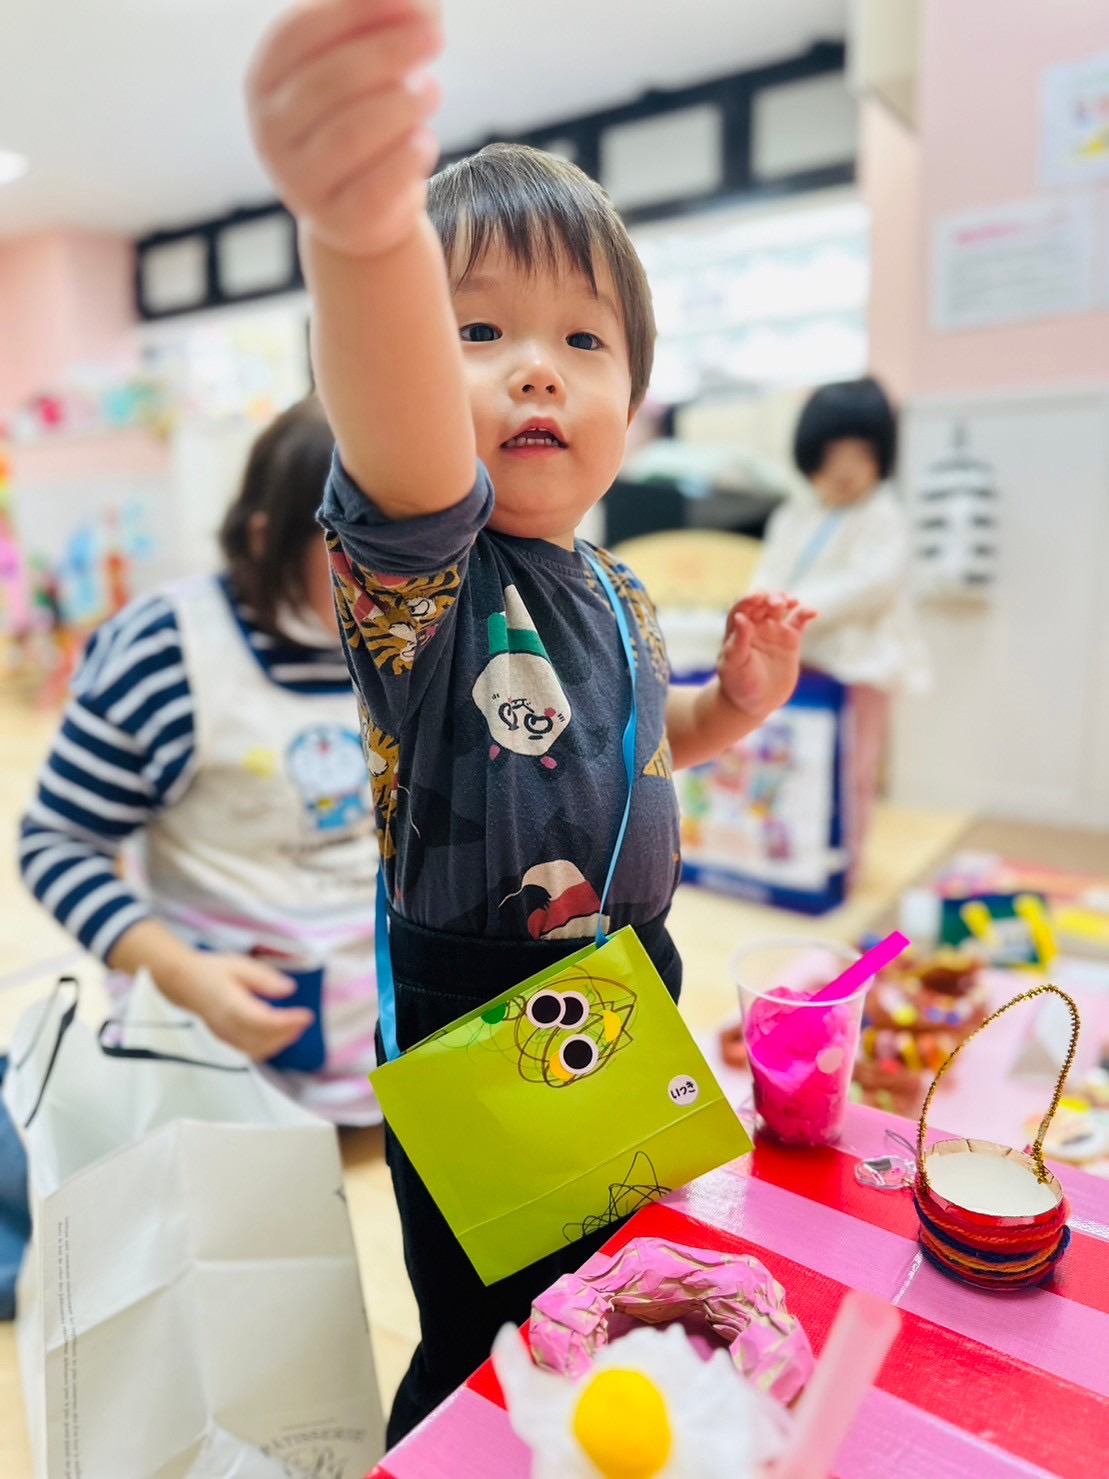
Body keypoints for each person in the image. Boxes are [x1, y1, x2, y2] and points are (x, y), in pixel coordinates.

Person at [245, 0, 814, 1442]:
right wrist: (363, 237)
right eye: (478, 330)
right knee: (487, 1339)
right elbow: (404, 441)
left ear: (635, 395)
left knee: (612, 1288)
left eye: (582, 338)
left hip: (629, 980)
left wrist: (732, 707)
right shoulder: (428, 577)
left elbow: (638, 745)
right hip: (479, 1017)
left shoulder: (618, 585)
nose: (537, 366)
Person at [19, 397, 381, 1126]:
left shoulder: (426, 633)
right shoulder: (169, 650)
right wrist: (183, 975)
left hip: (391, 1069)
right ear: (265, 538)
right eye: (360, 549)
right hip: (220, 1069)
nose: (403, 575)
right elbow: (57, 844)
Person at [752, 377, 928, 865]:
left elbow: (870, 583)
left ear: (882, 457)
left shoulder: (884, 516)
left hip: (861, 668)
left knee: (854, 768)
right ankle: (797, 856)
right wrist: (758, 607)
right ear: (811, 456)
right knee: (798, 761)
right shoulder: (793, 515)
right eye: (833, 455)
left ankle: (846, 859)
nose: (846, 469)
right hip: (800, 662)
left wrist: (791, 609)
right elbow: (766, 573)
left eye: (861, 455)